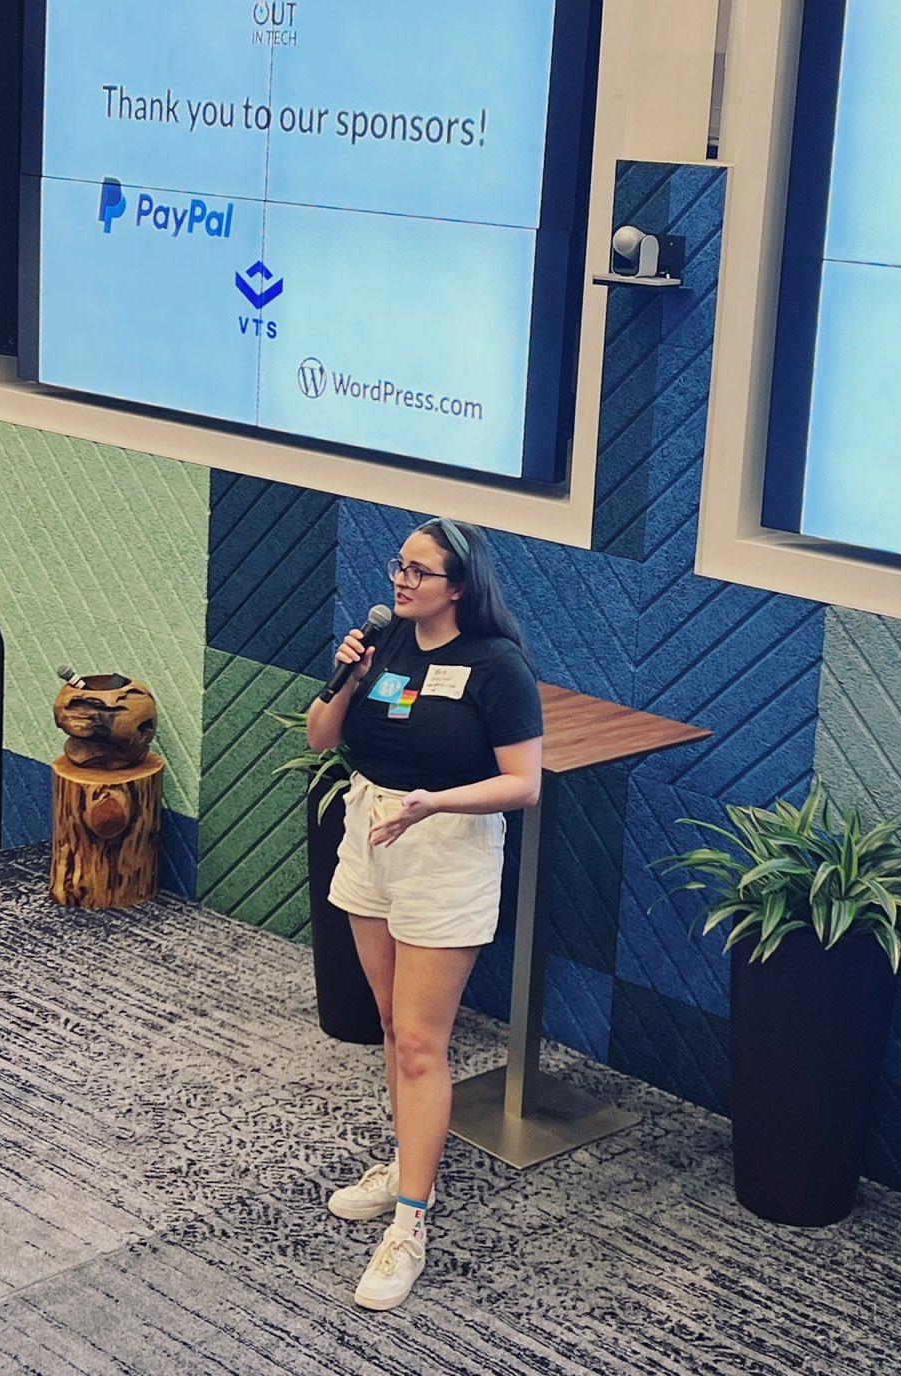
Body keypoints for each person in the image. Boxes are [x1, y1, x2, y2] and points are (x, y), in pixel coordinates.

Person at [305, 516, 543, 1311]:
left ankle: (411, 1221)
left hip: (444, 843)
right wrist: (345, 675)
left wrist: (432, 802)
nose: (400, 582)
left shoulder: (497, 666)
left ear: (460, 588)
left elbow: (524, 783)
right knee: (387, 1023)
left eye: (418, 571)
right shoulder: (387, 643)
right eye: (397, 566)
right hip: (369, 828)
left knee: (419, 1042)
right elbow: (317, 737)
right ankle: (410, 1163)